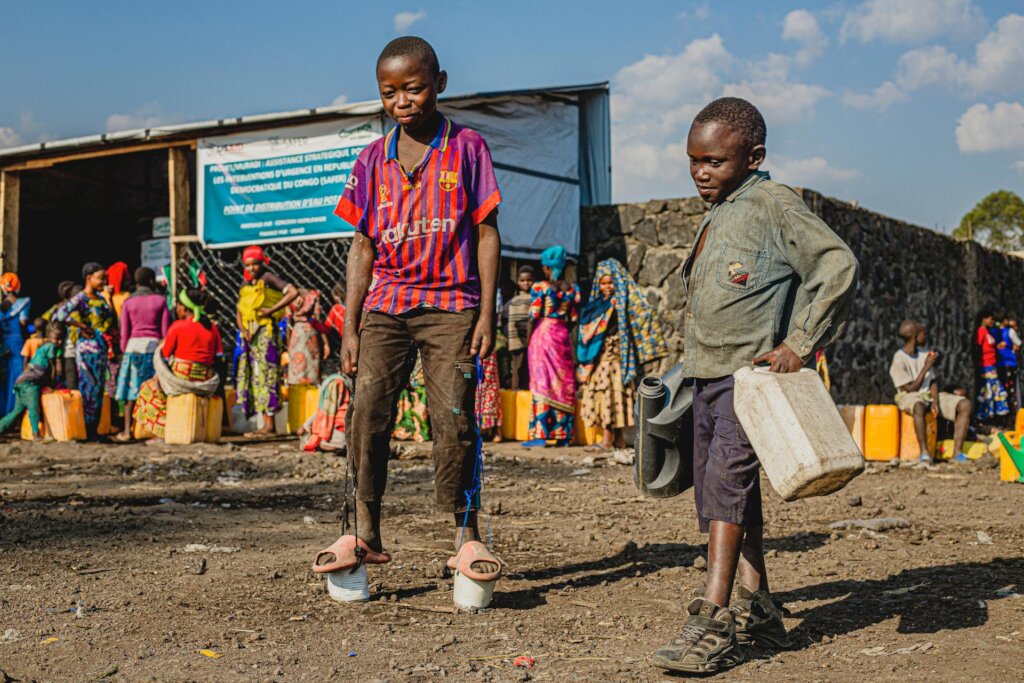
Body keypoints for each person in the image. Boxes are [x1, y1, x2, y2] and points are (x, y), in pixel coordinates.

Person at [650, 97, 858, 674]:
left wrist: (800, 342)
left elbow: (837, 266)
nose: (700, 172)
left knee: (727, 485)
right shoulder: (721, 211)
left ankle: (712, 621)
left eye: (714, 161)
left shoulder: (773, 204)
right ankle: (758, 607)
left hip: (750, 382)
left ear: (754, 157)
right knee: (724, 492)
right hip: (708, 377)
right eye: (693, 161)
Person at [313, 36, 503, 584]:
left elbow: (487, 233)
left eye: (414, 89)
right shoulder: (372, 159)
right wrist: (350, 327)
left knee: (455, 419)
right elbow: (362, 247)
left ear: (439, 84)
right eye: (389, 92)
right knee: (367, 414)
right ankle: (364, 531)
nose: (402, 101)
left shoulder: (467, 147)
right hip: (386, 307)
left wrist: (487, 313)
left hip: (453, 306)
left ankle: (466, 536)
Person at [577, 258, 667, 450]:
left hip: (615, 358)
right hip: (602, 356)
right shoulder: (598, 305)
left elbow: (641, 314)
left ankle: (608, 440)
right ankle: (616, 439)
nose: (607, 287)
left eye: (611, 282)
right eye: (603, 283)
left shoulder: (620, 304)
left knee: (611, 394)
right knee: (609, 395)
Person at [133, 289, 223, 440]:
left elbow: (164, 355)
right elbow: (218, 356)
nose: (177, 309)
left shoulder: (178, 326)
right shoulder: (212, 328)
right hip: (205, 379)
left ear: (185, 308)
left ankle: (164, 431)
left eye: (179, 305)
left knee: (148, 388)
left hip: (181, 379)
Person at [235, 245, 298, 437]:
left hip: (266, 334)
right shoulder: (246, 283)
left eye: (255, 264)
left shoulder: (268, 278)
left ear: (262, 263)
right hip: (250, 335)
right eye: (248, 265)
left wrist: (270, 311)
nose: (251, 268)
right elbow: (239, 309)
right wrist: (243, 329)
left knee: (268, 374)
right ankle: (264, 424)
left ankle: (269, 425)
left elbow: (293, 292)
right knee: (255, 376)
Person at [890, 320, 971, 463]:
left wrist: (935, 402)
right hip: (908, 396)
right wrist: (926, 367)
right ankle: (924, 453)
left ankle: (957, 452)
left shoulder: (924, 353)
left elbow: (932, 381)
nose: (926, 337)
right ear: (915, 336)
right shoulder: (899, 359)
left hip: (927, 394)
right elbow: (910, 389)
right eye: (923, 334)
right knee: (918, 406)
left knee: (964, 404)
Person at [524, 246, 580, 447]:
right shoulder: (573, 290)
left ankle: (541, 434)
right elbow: (573, 318)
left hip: (543, 336)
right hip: (562, 336)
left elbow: (533, 315)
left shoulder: (541, 287)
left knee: (542, 383)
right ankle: (563, 434)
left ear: (547, 268)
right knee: (562, 384)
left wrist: (529, 340)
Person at [53, 263, 116, 436]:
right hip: (86, 349)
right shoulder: (80, 298)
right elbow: (59, 315)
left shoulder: (101, 298)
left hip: (101, 348)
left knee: (98, 388)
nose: (104, 282)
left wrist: (110, 298)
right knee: (87, 387)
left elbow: (111, 319)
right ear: (89, 278)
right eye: (101, 278)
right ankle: (86, 429)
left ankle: (94, 430)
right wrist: (80, 325)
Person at [114, 267, 171, 441]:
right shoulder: (160, 301)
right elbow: (165, 330)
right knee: (155, 390)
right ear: (152, 281)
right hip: (154, 348)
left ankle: (126, 431)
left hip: (133, 348)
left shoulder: (128, 302)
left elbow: (124, 331)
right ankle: (157, 432)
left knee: (131, 391)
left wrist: (124, 350)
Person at [0, 321, 64, 440]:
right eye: (57, 338)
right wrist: (52, 385)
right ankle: (36, 434)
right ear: (49, 336)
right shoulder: (51, 347)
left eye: (61, 339)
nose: (59, 342)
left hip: (21, 381)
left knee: (16, 412)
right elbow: (53, 367)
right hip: (30, 383)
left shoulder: (42, 347)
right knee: (34, 409)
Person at [0, 272, 31, 415]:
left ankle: (3, 412)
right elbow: (23, 322)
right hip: (17, 343)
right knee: (17, 376)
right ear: (18, 286)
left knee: (4, 378)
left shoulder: (2, 306)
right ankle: (14, 412)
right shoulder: (24, 302)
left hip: (4, 345)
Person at [975, 310, 1010, 425]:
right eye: (991, 319)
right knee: (989, 391)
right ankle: (986, 416)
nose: (993, 321)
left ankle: (992, 416)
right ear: (984, 319)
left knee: (993, 391)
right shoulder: (981, 331)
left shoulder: (988, 332)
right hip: (986, 366)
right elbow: (978, 348)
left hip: (992, 365)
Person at [286, 288, 326, 386]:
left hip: (296, 333)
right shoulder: (314, 295)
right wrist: (326, 343)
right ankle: (312, 392)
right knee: (312, 368)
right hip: (311, 331)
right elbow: (318, 319)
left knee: (296, 367)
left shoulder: (291, 295)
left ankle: (297, 392)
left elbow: (288, 321)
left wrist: (289, 342)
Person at [504, 265, 535, 391]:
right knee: (516, 366)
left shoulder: (535, 299)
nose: (526, 283)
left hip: (531, 339)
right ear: (517, 281)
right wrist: (512, 339)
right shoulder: (513, 301)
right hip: (516, 339)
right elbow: (509, 322)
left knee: (530, 366)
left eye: (529, 280)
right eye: (522, 280)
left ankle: (527, 391)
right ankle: (515, 391)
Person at [996, 313, 1019, 416]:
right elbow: (1018, 343)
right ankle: (1011, 412)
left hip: (998, 363)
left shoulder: (994, 331)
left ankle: (1002, 411)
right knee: (1010, 389)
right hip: (1009, 362)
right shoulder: (1009, 331)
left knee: (1001, 388)